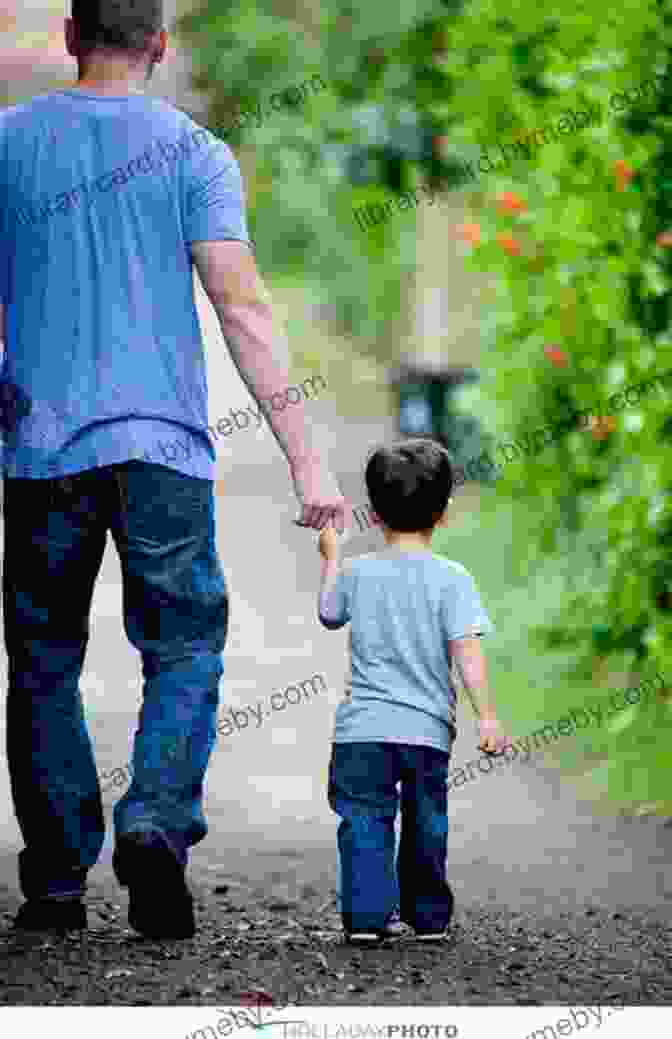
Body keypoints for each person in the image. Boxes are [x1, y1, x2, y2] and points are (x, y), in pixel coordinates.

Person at [0, 0, 349, 939]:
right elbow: (244, 312)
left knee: (42, 659)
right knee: (185, 647)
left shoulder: (7, 143)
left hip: (38, 451)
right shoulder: (194, 152)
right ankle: (153, 821)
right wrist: (309, 464)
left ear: (70, 39)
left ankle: (58, 883)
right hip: (163, 453)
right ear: (160, 44)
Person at [317, 438, 508, 944]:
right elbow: (468, 653)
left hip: (361, 732)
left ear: (375, 514)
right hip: (426, 732)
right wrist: (487, 716)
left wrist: (332, 555)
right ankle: (427, 918)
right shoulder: (453, 580)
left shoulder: (359, 572)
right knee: (427, 822)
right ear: (443, 512)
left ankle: (365, 918)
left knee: (363, 820)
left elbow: (330, 613)